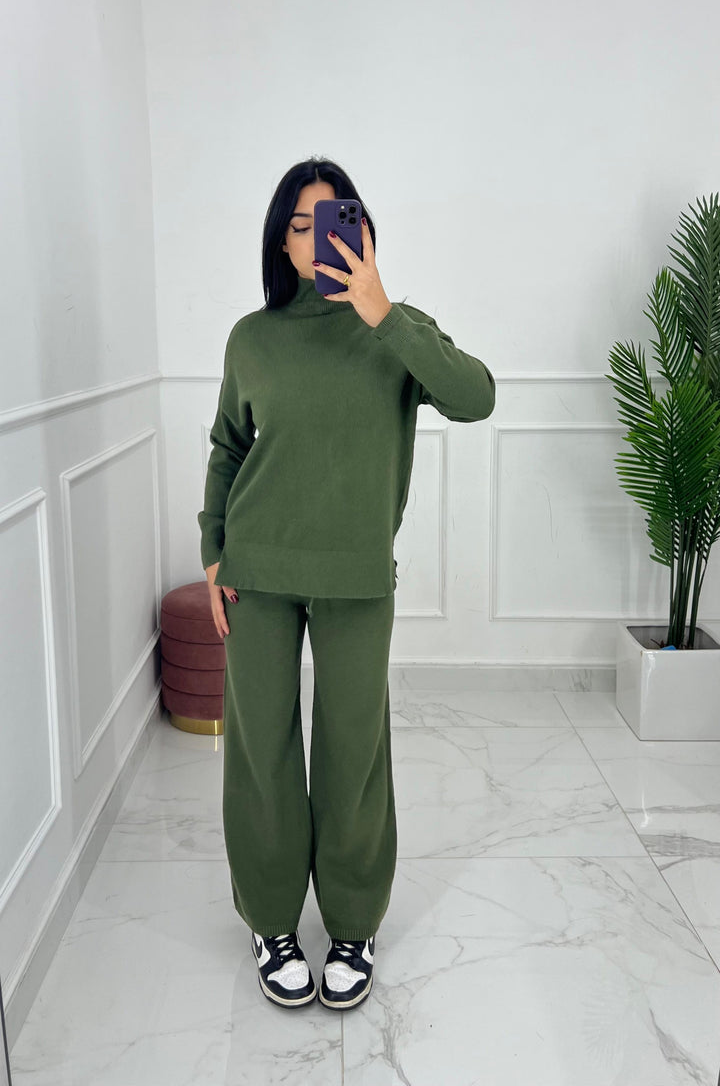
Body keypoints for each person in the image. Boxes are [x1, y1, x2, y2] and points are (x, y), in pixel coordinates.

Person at [197, 156, 496, 1009]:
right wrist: (213, 549)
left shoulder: (395, 327)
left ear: (360, 231)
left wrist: (384, 314)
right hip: (256, 571)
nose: (316, 237)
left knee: (353, 751)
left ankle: (354, 923)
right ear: (281, 243)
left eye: (334, 220)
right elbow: (227, 447)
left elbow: (476, 398)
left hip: (357, 574)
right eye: (300, 225)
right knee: (261, 751)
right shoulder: (251, 338)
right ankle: (271, 920)